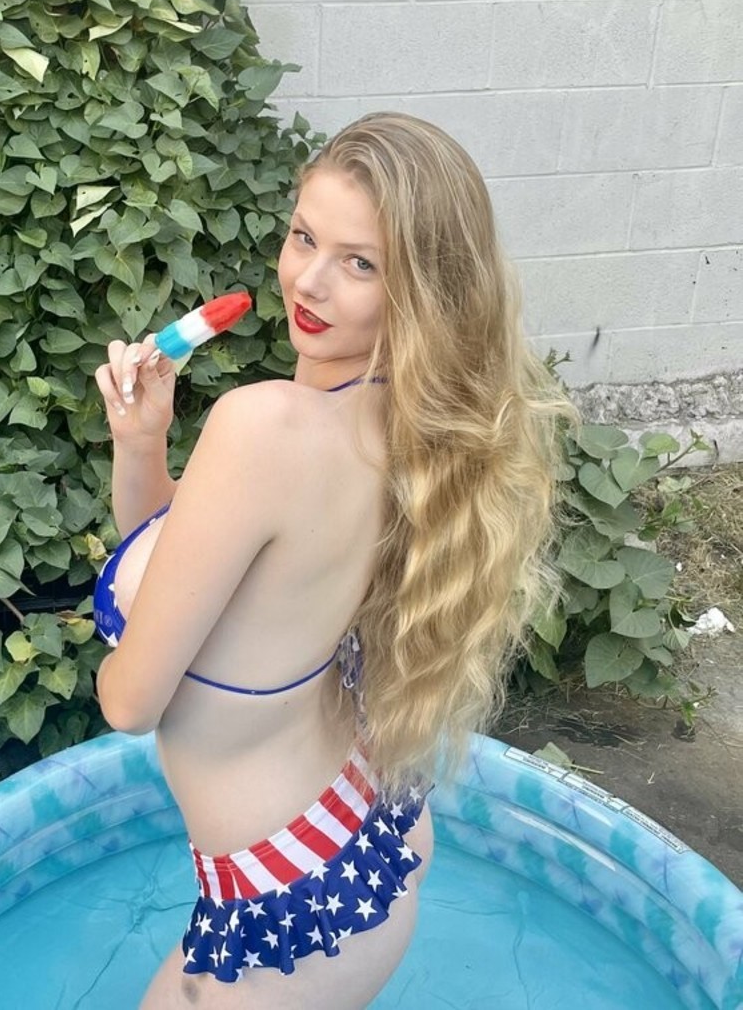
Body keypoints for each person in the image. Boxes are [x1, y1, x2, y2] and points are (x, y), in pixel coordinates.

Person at [92, 112, 578, 1008]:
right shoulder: (404, 419)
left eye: (361, 263)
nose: (308, 280)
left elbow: (130, 702)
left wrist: (113, 654)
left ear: (421, 289)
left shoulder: (263, 426)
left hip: (285, 904)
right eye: (304, 236)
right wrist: (142, 442)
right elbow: (200, 572)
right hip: (356, 832)